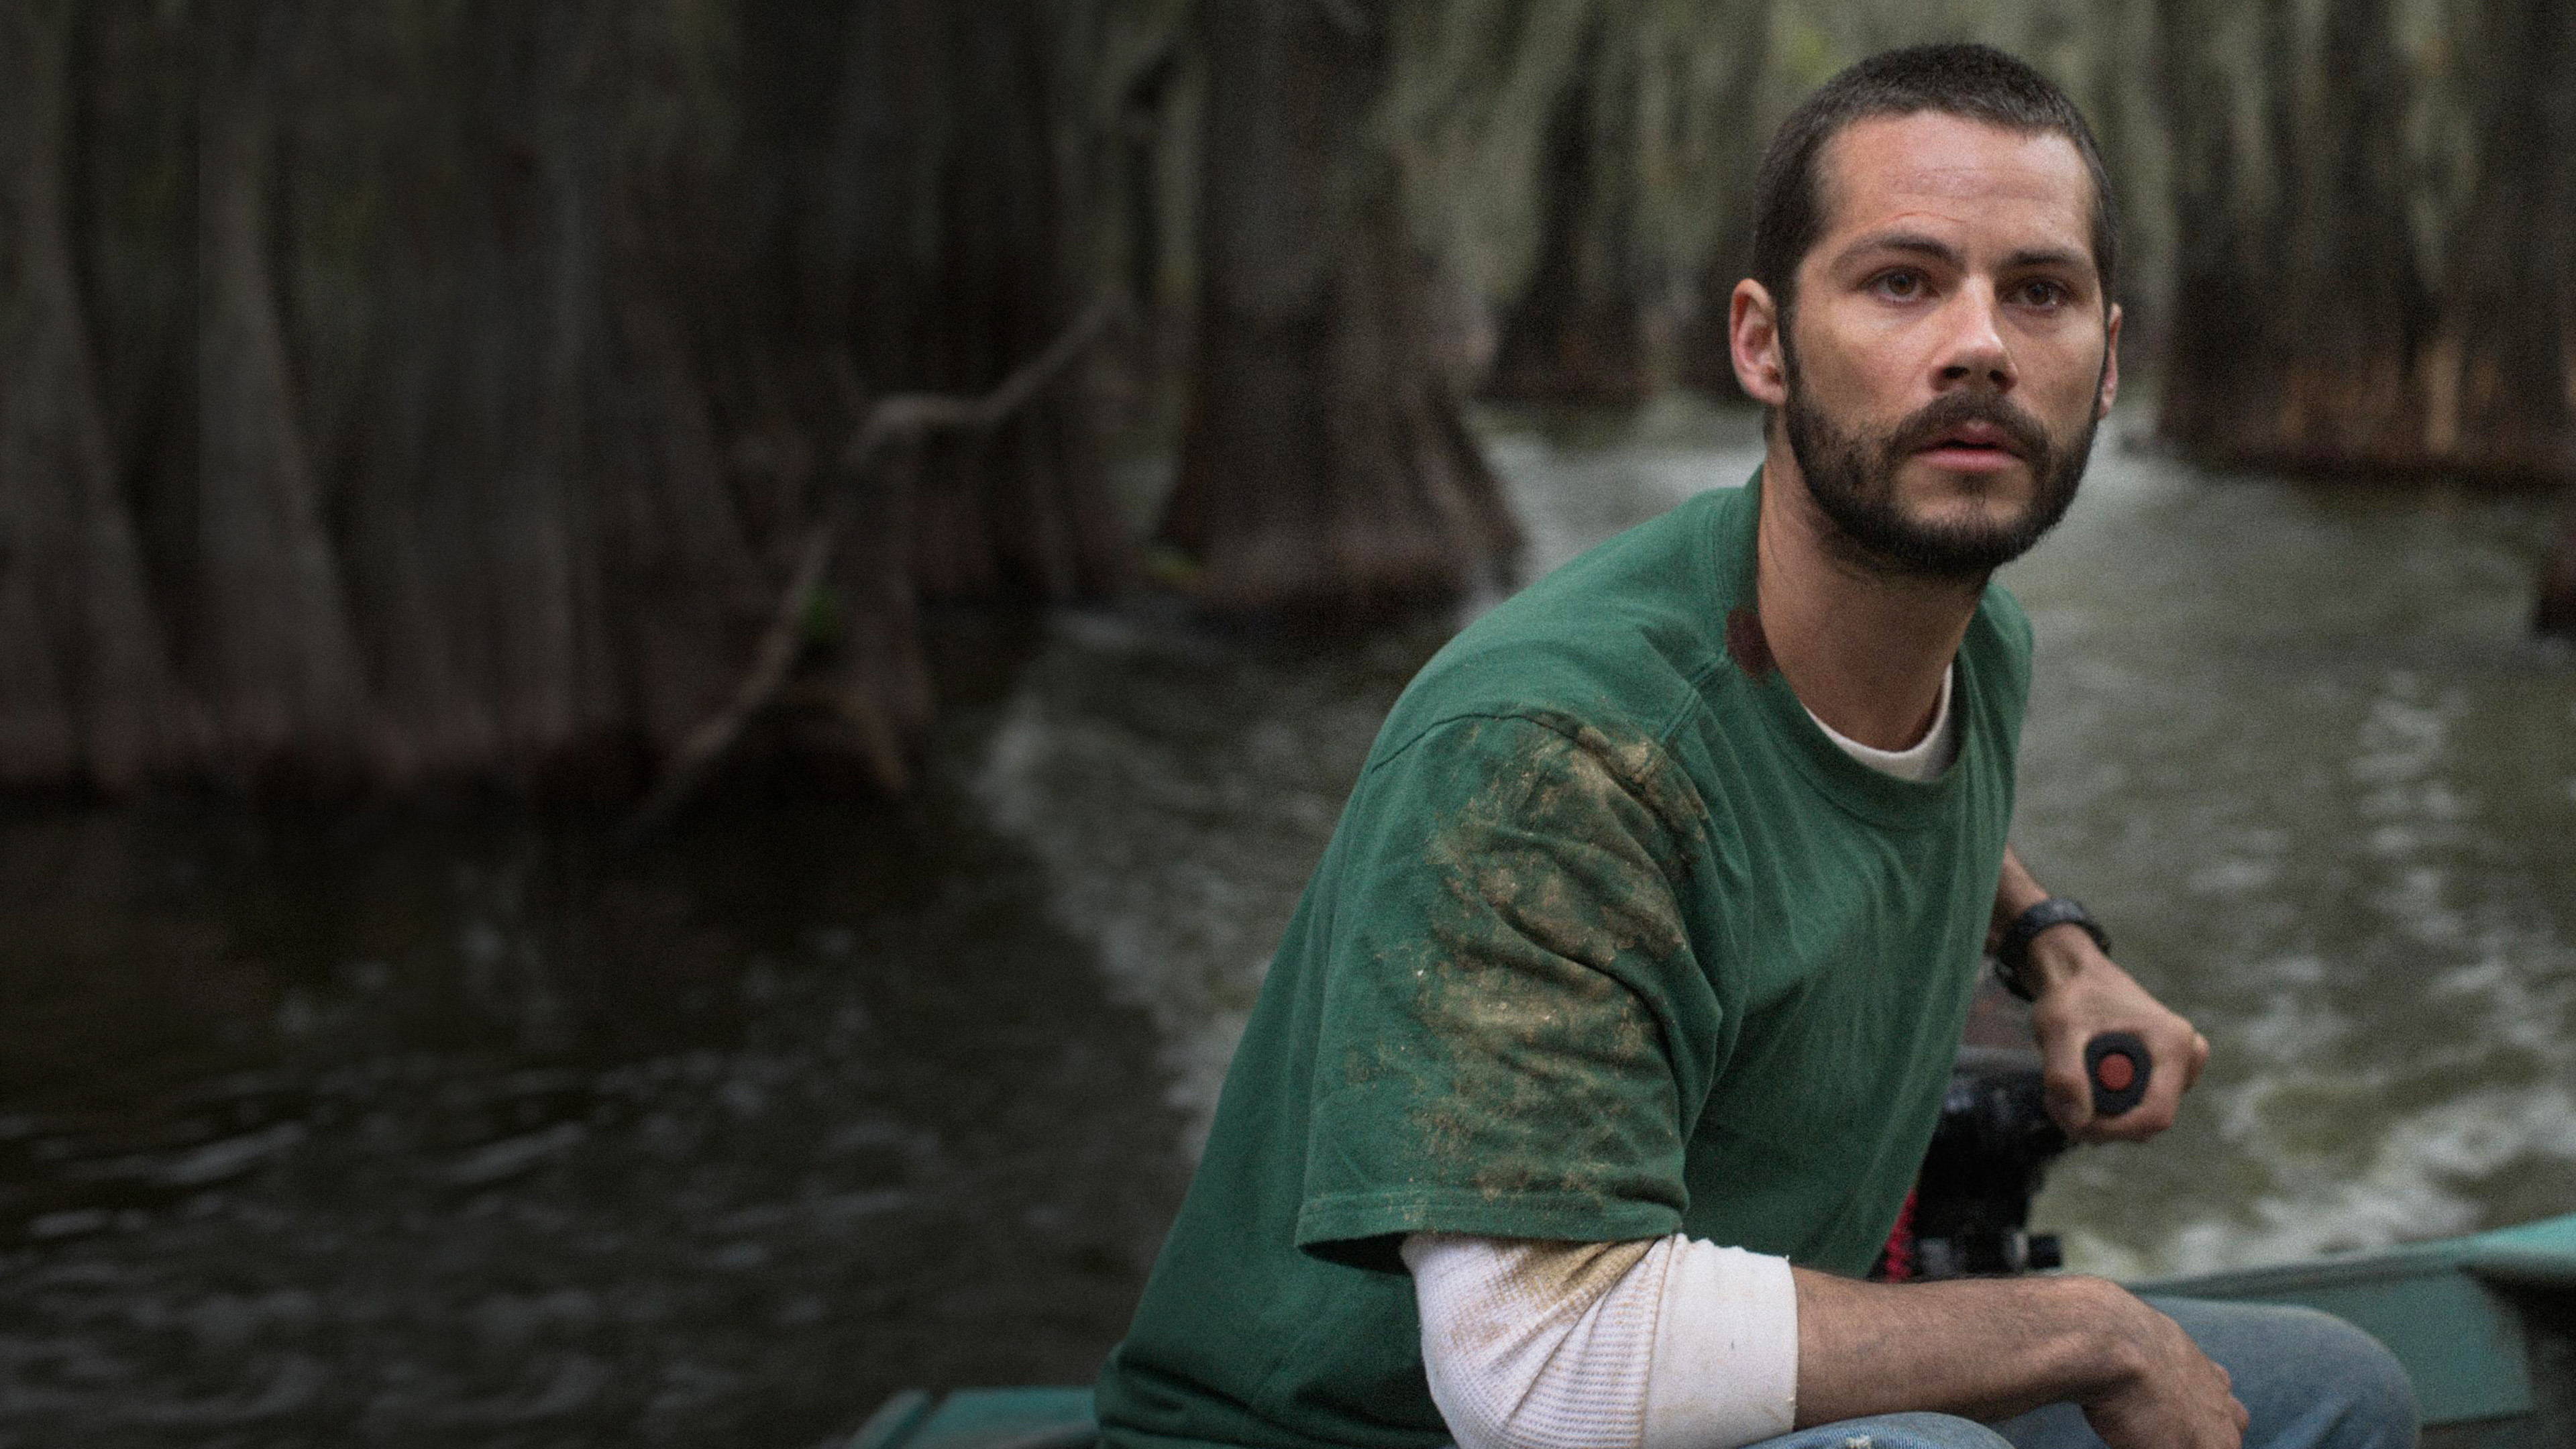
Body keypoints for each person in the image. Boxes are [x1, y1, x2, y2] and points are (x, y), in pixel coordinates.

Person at [1094, 43, 2416, 1449]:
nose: (1979, 343)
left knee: (2341, 1392)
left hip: (1710, 1375)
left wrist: (2058, 951)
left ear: (2104, 366)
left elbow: (1857, 790)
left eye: (2038, 292)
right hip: (1375, 1430)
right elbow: (1538, 1375)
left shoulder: (1975, 650)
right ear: (1762, 343)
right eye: (1901, 282)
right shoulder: (1555, 757)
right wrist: (2080, 1326)